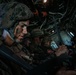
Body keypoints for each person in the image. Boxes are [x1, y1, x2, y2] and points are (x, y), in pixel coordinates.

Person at [0, 2, 33, 75]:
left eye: (26, 27)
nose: (25, 32)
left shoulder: (17, 47)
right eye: (22, 26)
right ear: (9, 24)